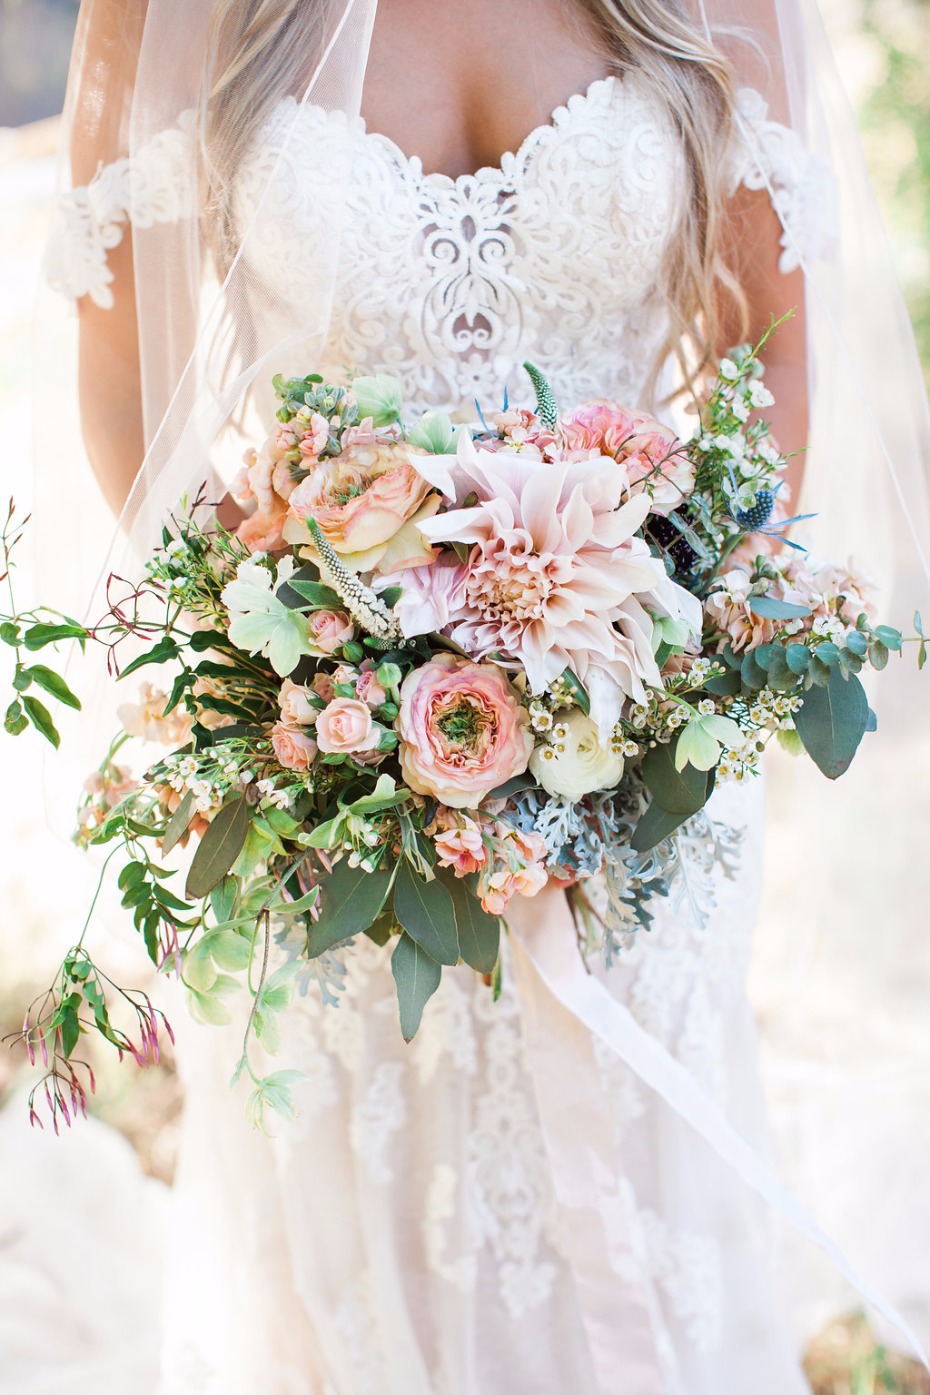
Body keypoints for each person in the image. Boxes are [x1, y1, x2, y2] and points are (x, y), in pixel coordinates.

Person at [39, 0, 930, 1391]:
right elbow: (120, 390)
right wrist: (293, 674)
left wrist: (643, 683)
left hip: (637, 772)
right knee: (353, 1224)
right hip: (319, 784)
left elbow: (773, 367)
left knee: (635, 1201)